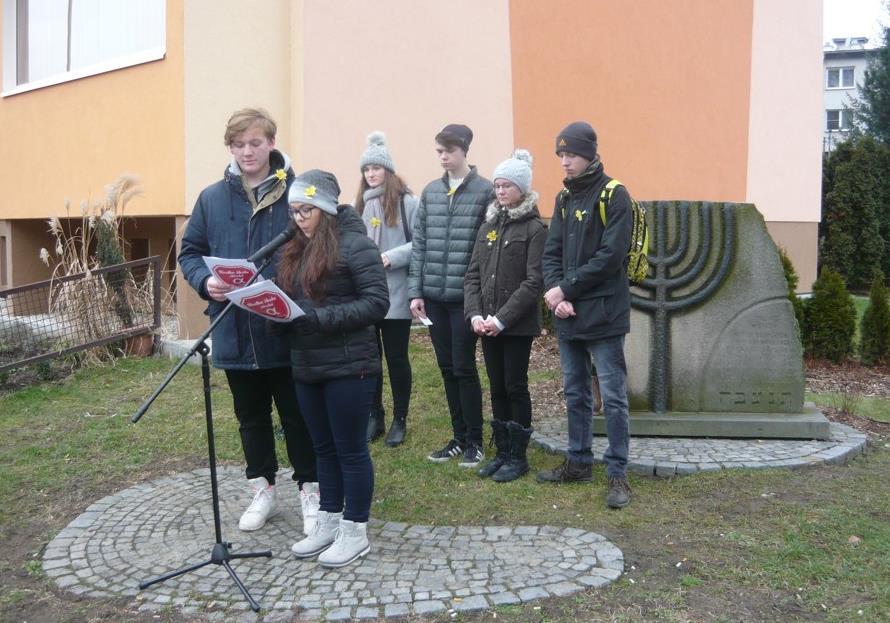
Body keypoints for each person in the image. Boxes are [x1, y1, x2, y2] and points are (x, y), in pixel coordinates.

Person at [179, 108, 319, 533]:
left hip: (284, 328)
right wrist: (207, 283)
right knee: (250, 418)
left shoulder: (297, 191)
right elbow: (190, 252)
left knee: (297, 416)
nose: (247, 152)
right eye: (238, 145)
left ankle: (311, 491)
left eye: (255, 143)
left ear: (272, 143)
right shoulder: (212, 198)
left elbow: (320, 249)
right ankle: (263, 489)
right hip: (234, 330)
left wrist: (292, 288)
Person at [278, 170, 389, 568]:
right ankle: (328, 520)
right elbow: (293, 303)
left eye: (306, 209)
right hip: (307, 363)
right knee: (321, 449)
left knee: (350, 450)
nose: (299, 218)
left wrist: (319, 318)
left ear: (325, 208)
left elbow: (377, 303)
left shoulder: (355, 245)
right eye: (293, 211)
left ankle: (355, 530)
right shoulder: (295, 248)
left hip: (349, 365)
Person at [537, 121, 634, 509]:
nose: (565, 162)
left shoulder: (615, 195)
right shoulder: (564, 199)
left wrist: (567, 288)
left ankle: (617, 473)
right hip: (568, 313)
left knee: (612, 396)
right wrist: (554, 293)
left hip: (604, 314)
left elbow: (611, 257)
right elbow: (552, 251)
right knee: (575, 392)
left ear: (590, 154)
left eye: (571, 154)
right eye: (560, 155)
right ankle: (578, 461)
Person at [407, 123, 495, 468]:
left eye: (450, 151)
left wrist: (479, 296)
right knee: (446, 368)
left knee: (463, 366)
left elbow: (487, 249)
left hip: (464, 298)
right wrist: (416, 291)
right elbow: (420, 246)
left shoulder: (485, 191)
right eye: (439, 151)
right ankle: (458, 438)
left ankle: (475, 440)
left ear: (464, 152)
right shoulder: (430, 193)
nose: (444, 157)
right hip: (434, 297)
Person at [464, 149, 546, 482]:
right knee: (495, 387)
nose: (500, 192)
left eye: (507, 186)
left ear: (522, 189)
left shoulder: (534, 229)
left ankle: (518, 455)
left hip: (515, 326)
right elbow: (472, 275)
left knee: (515, 386)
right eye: (497, 186)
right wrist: (475, 315)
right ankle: (501, 450)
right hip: (486, 324)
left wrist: (502, 319)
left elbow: (533, 281)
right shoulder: (488, 227)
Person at [355, 132, 419, 447]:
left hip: (396, 296)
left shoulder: (407, 202)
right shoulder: (361, 205)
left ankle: (400, 419)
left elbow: (420, 243)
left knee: (396, 359)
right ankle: (374, 415)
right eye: (366, 169)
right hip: (367, 297)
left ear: (387, 170)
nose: (371, 174)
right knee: (370, 359)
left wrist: (390, 258)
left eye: (376, 168)